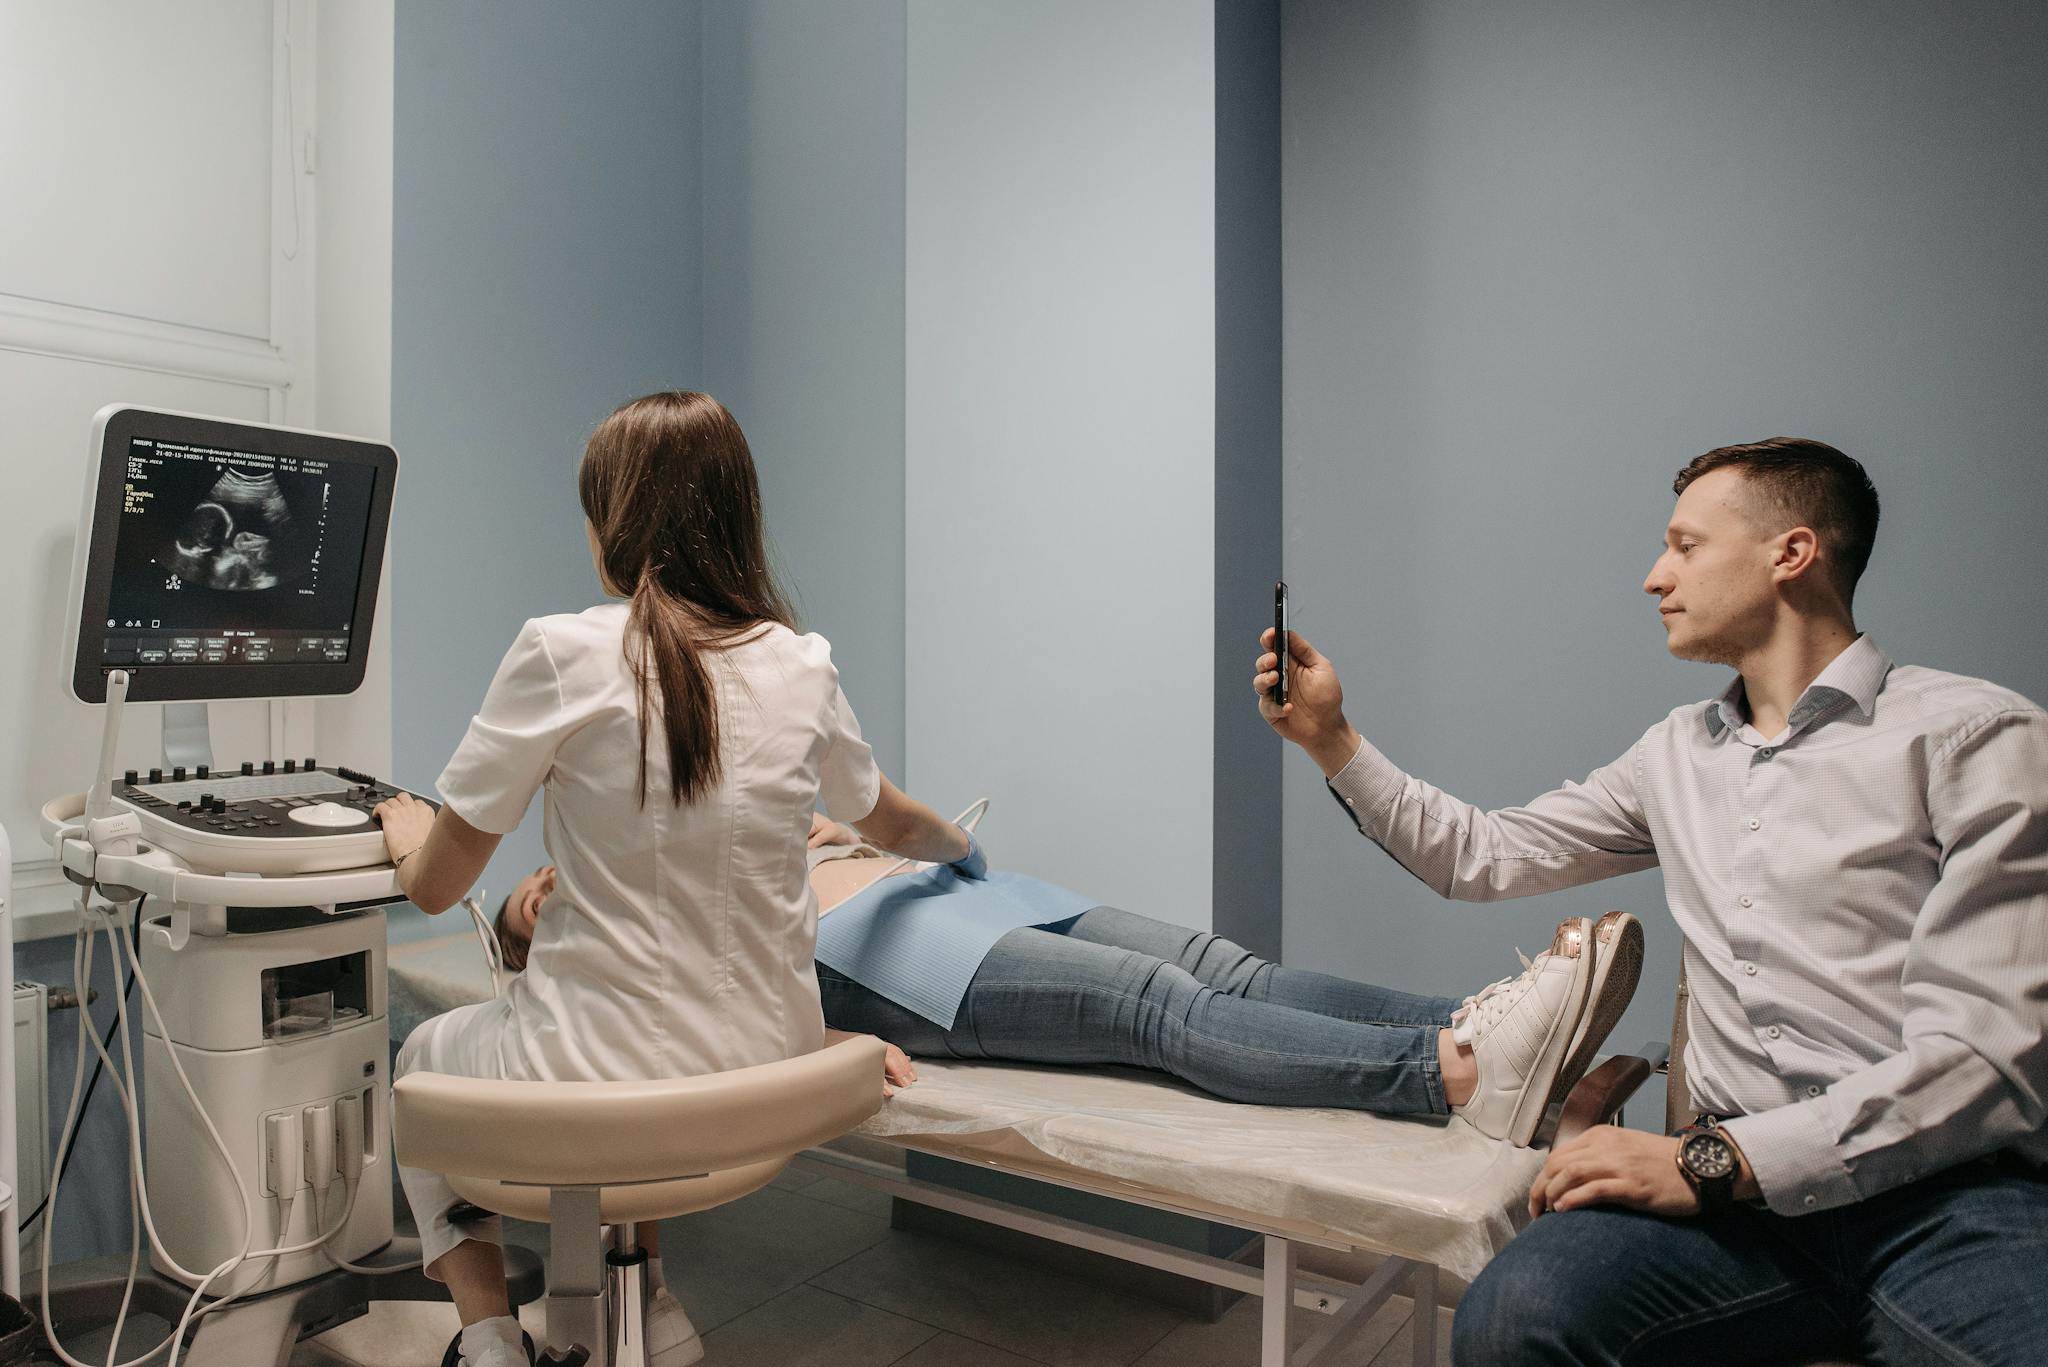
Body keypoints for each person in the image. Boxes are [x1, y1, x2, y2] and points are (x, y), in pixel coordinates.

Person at [1253, 439, 2048, 1365]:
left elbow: (1981, 1061)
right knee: (1516, 1317)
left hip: (1945, 1202)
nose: (1653, 577)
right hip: (1733, 1218)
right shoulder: (1673, 754)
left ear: (1791, 554)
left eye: (1684, 545)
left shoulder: (1978, 738)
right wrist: (1331, 737)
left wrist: (1709, 1162)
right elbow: (1482, 854)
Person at [373, 392, 979, 1367]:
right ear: (736, 518)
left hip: (606, 1076)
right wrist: (963, 848)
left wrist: (407, 832)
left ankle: (488, 1340)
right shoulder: (801, 661)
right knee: (631, 1056)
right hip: (764, 1079)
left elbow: (437, 888)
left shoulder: (561, 653)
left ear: (612, 520)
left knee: (423, 1056)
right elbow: (897, 821)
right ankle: (645, 1299)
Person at [492, 809, 1646, 1145]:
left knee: (1223, 963)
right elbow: (690, 1001)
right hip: (884, 962)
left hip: (961, 894)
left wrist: (841, 827)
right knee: (1156, 1010)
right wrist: (825, 1046)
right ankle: (1449, 1072)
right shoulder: (619, 920)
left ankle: (1496, 1034)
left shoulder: (682, 802)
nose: (550, 886)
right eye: (536, 904)